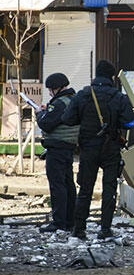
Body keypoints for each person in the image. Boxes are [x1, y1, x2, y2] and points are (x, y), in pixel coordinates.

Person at [62, 60, 134, 240]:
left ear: (96, 74)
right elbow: (131, 122)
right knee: (109, 189)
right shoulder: (118, 97)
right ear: (112, 77)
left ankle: (79, 229)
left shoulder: (83, 95)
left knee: (85, 189)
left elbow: (67, 119)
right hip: (110, 148)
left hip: (88, 148)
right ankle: (105, 229)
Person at [36, 73, 80, 233]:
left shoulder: (60, 103)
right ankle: (70, 221)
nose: (49, 93)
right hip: (68, 148)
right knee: (68, 184)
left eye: (50, 90)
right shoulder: (72, 100)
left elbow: (46, 124)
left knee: (57, 185)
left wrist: (39, 114)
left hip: (57, 149)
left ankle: (58, 222)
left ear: (57, 88)